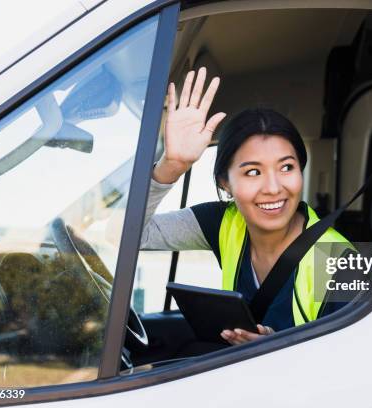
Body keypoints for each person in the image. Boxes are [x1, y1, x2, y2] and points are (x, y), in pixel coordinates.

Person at [142, 67, 351, 346]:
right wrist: (171, 167)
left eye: (286, 167)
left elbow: (351, 367)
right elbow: (129, 234)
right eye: (253, 172)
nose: (274, 187)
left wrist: (274, 347)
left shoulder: (338, 261)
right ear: (225, 183)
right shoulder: (223, 222)